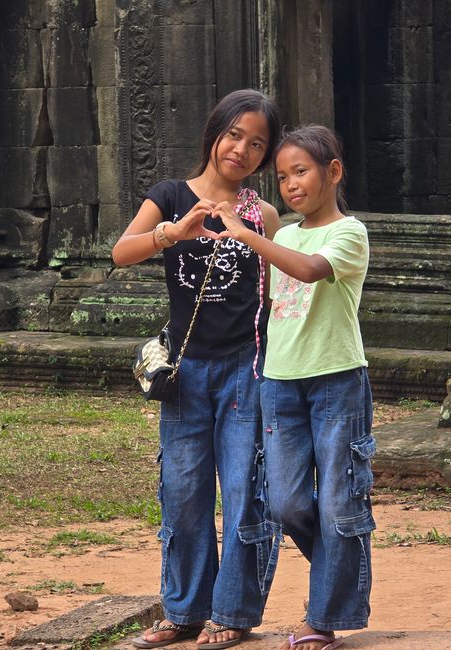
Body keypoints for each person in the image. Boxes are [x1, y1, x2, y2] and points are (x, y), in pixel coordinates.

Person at [112, 89, 282, 650]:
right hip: (185, 371)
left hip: (245, 369)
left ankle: (233, 613)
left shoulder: (263, 215)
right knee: (183, 493)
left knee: (244, 490)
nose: (241, 150)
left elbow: (275, 293)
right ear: (214, 133)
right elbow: (121, 251)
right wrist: (173, 231)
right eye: (234, 135)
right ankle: (184, 612)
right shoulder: (169, 196)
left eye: (256, 144)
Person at [213, 125, 374, 650]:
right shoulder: (283, 236)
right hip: (279, 382)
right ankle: (338, 572)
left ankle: (323, 618)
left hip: (336, 380)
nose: (291, 185)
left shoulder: (349, 233)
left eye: (301, 172)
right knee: (284, 503)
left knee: (338, 503)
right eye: (282, 177)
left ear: (334, 171)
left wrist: (246, 233)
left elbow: (307, 272)